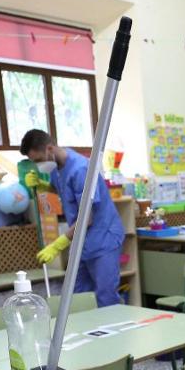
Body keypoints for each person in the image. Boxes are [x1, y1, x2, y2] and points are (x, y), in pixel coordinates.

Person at [21, 129, 125, 307]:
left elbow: (87, 218)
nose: (38, 165)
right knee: (78, 298)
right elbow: (63, 190)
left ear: (50, 148)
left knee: (105, 297)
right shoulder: (57, 167)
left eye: (38, 160)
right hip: (81, 242)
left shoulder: (81, 169)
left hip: (103, 239)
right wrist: (42, 185)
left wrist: (58, 244)